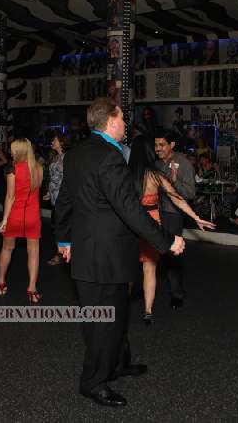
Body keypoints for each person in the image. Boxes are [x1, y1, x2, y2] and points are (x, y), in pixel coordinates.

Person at [54, 97, 185, 407]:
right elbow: (129, 209)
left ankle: (118, 363)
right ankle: (93, 383)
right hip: (105, 257)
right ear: (111, 121)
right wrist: (167, 240)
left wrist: (64, 240)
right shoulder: (110, 157)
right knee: (103, 323)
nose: (126, 123)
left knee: (116, 315)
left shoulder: (76, 153)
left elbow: (64, 200)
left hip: (90, 252)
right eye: (123, 118)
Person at [129, 134, 215, 325]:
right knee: (149, 268)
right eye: (154, 146)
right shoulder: (154, 174)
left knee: (127, 267)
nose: (157, 149)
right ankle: (148, 311)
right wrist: (195, 216)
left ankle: (121, 305)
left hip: (130, 224)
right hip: (152, 224)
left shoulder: (123, 174)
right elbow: (176, 197)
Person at [0, 139, 44, 303]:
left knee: (7, 249)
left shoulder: (13, 169)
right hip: (33, 216)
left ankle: (1, 282)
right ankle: (32, 288)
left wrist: (4, 219)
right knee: (34, 253)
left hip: (15, 216)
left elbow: (10, 196)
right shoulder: (39, 168)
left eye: (12, 149)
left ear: (17, 151)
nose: (11, 152)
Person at [154, 132, 196, 309]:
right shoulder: (156, 164)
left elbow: (190, 193)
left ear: (171, 144)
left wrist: (174, 181)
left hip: (172, 214)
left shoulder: (183, 163)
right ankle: (144, 287)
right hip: (154, 212)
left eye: (161, 145)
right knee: (151, 252)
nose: (158, 149)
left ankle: (177, 294)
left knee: (171, 254)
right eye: (156, 145)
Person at [44, 132, 70, 266]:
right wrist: (49, 192)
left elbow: (67, 178)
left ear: (62, 142)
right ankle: (62, 253)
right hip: (55, 197)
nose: (52, 142)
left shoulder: (67, 157)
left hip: (63, 198)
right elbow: (53, 177)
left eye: (55, 140)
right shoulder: (55, 157)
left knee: (60, 227)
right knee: (57, 226)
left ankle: (60, 255)